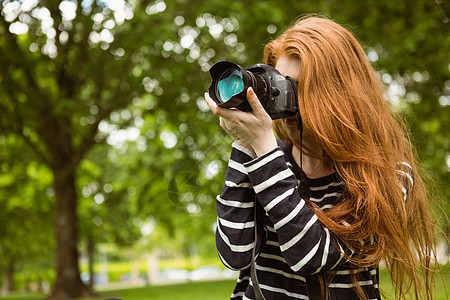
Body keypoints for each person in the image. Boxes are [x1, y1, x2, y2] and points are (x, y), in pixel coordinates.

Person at [205, 15, 436, 300]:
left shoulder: (389, 176)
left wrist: (264, 151)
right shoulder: (263, 156)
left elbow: (312, 257)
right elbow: (234, 253)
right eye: (280, 83)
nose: (285, 98)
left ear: (340, 93)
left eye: (299, 87)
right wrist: (244, 142)